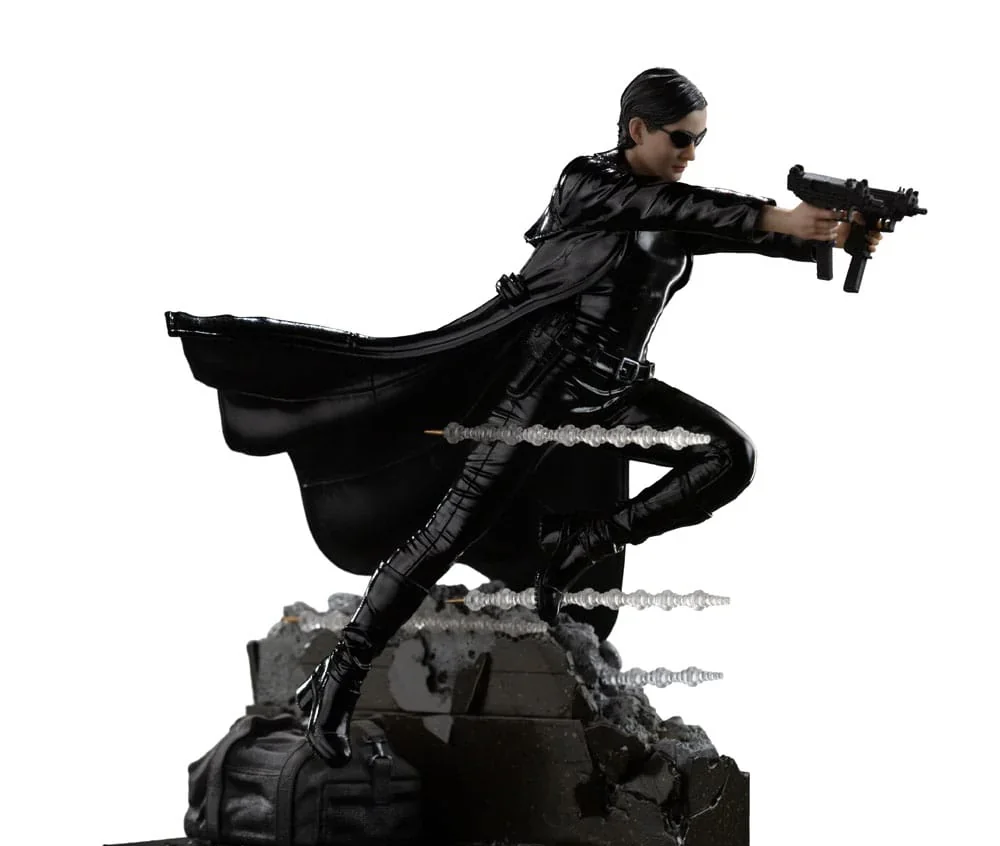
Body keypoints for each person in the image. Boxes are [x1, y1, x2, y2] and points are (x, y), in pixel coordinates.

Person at [168, 67, 882, 768]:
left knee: (728, 456)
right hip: (537, 392)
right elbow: (696, 210)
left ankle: (582, 541)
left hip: (612, 392)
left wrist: (836, 233)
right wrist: (777, 216)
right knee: (446, 533)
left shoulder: (668, 203)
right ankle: (339, 678)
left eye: (701, 139)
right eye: (680, 138)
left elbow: (739, 229)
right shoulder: (588, 184)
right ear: (637, 129)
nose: (692, 152)